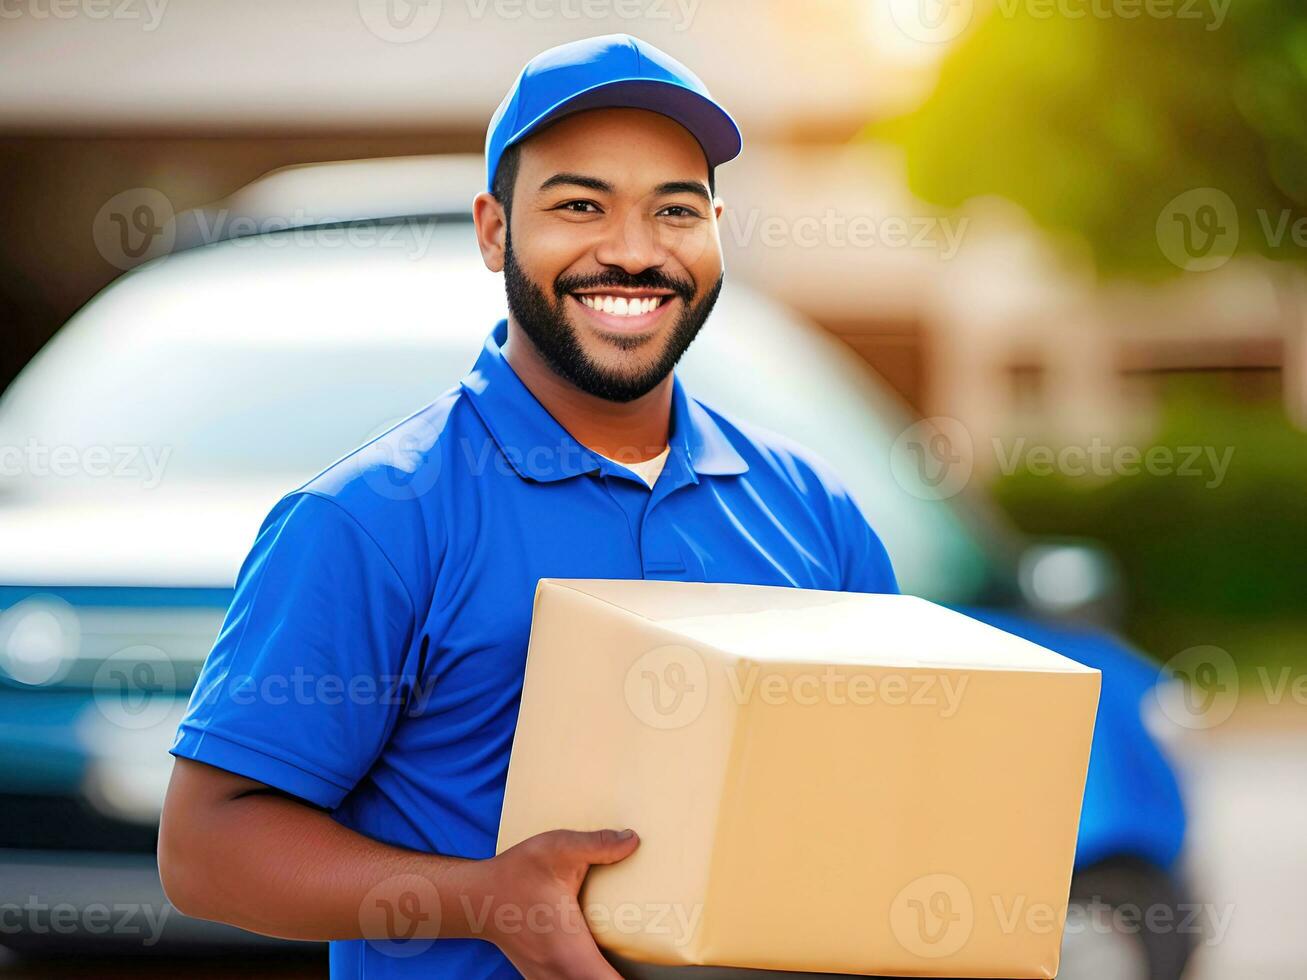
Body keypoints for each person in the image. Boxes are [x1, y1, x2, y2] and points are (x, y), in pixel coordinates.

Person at [158, 33, 897, 980]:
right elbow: (204, 852)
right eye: (579, 205)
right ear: (494, 231)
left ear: (715, 229)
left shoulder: (812, 510)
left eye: (674, 211)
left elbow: (872, 796)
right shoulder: (373, 518)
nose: (632, 253)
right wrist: (484, 901)